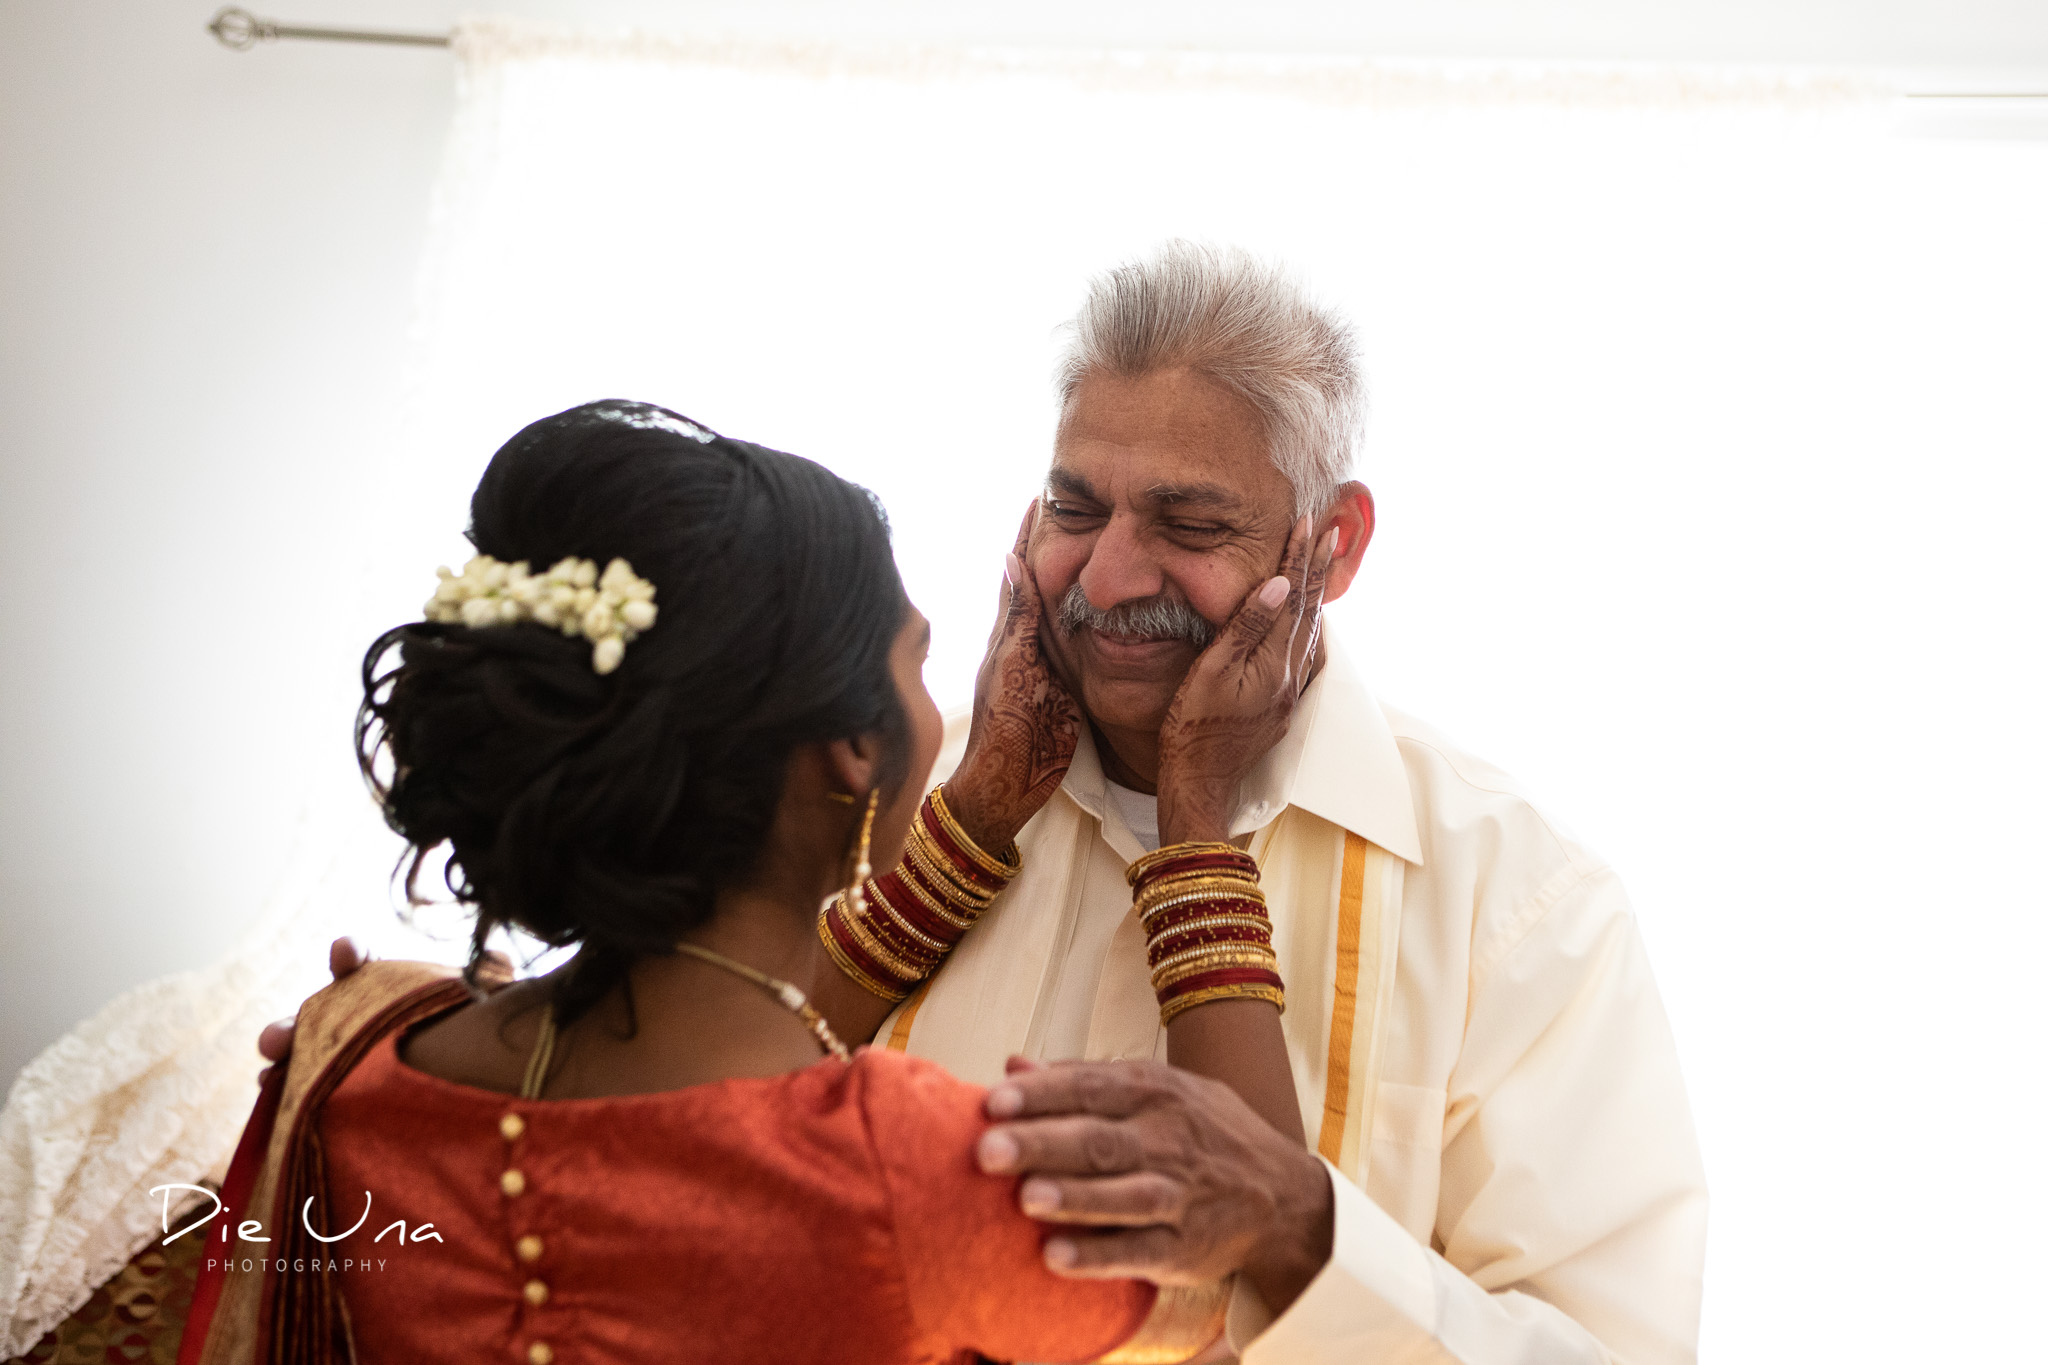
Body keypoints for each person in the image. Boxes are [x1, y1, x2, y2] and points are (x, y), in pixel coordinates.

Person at [278, 243, 1709, 1363]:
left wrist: (1309, 1226)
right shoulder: (859, 776)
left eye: (1192, 525)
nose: (1105, 579)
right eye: (1074, 504)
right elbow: (678, 1117)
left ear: (1331, 546)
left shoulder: (1516, 897)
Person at [187, 401, 1268, 1365]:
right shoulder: (915, 1177)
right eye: (916, 659)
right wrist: (1196, 837)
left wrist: (970, 825)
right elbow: (1249, 1256)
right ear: (853, 743)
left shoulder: (359, 1052)